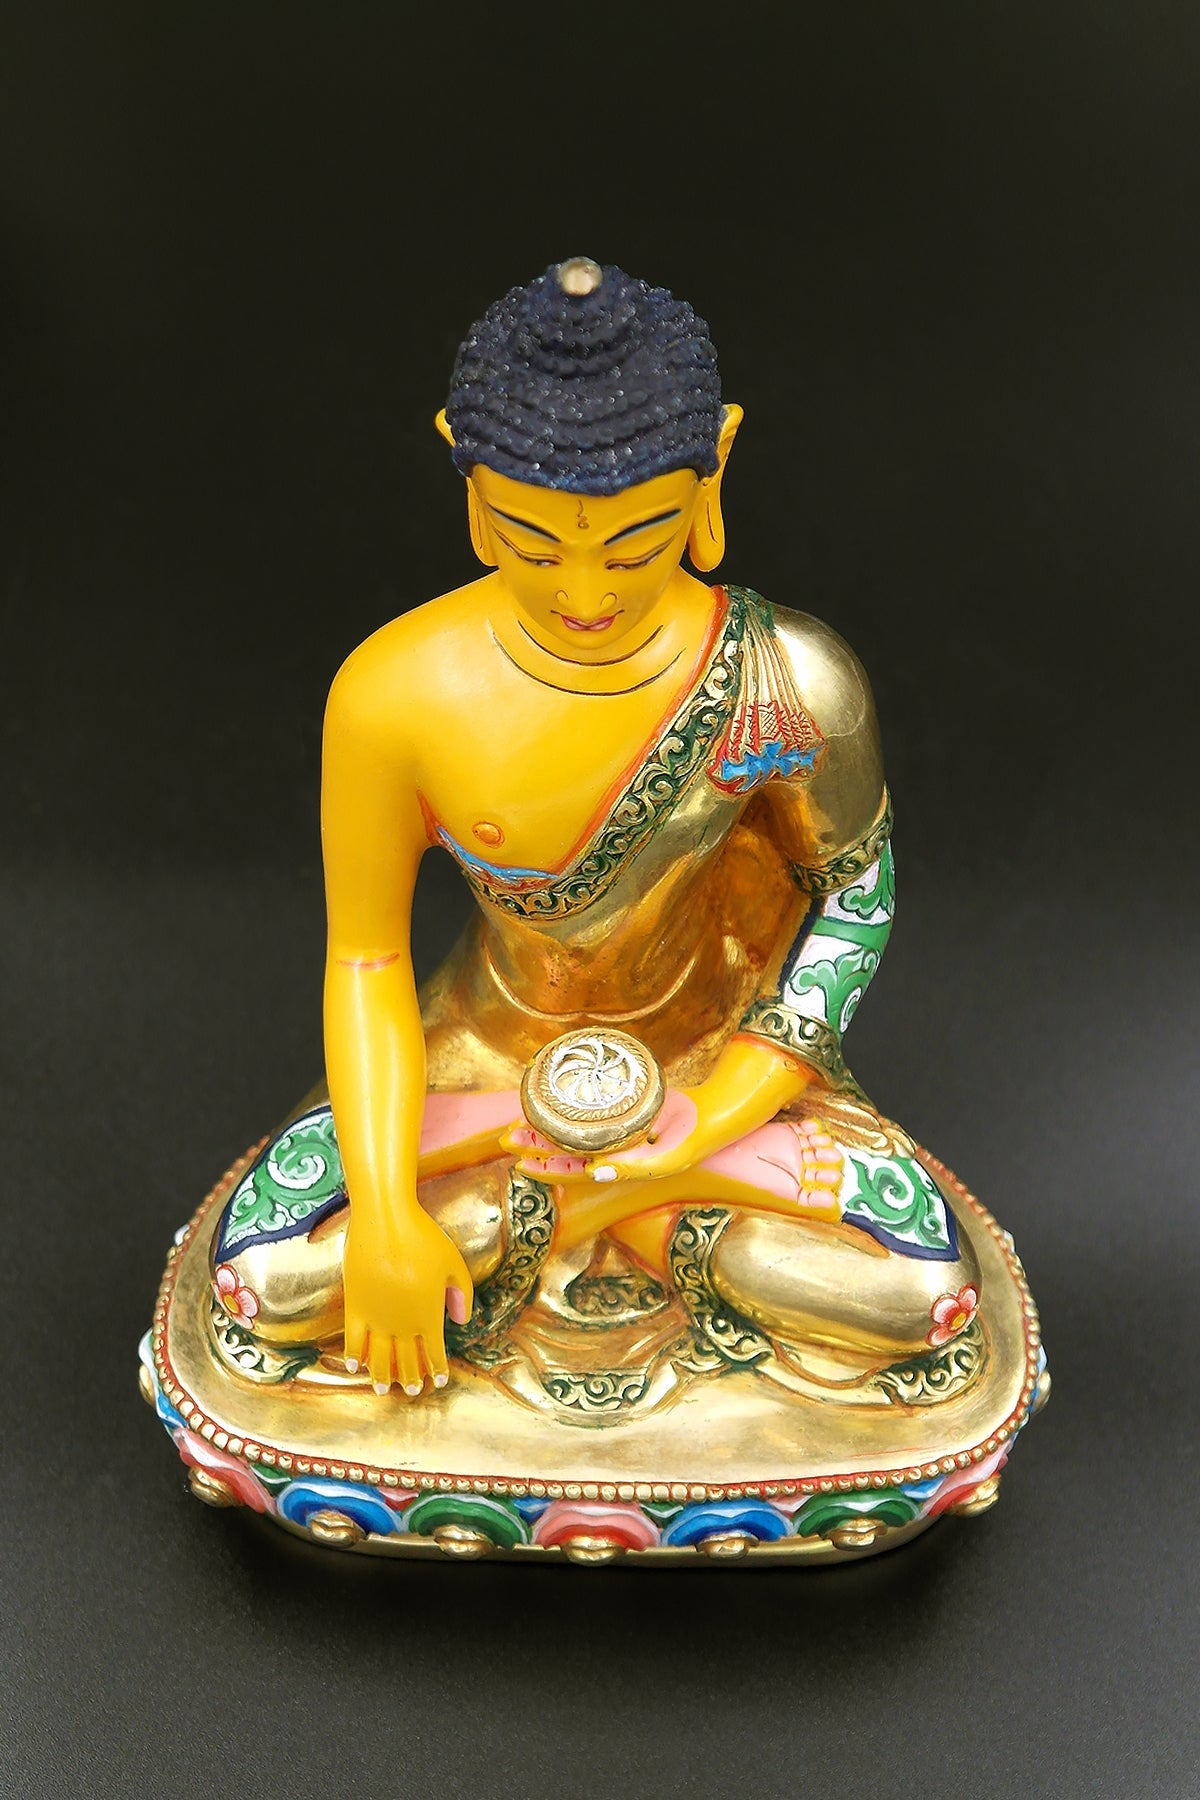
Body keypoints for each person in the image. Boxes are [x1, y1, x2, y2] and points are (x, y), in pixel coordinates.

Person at [208, 258, 982, 1414]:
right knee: (263, 1277)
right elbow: (366, 961)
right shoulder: (391, 693)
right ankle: (618, 1219)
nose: (583, 593)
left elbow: (853, 899)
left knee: (924, 1297)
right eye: (535, 544)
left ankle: (556, 1221)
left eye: (632, 547)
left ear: (714, 468)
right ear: (470, 489)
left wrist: (711, 1115)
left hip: (714, 1068)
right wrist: (385, 1214)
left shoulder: (786, 679)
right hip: (481, 1069)